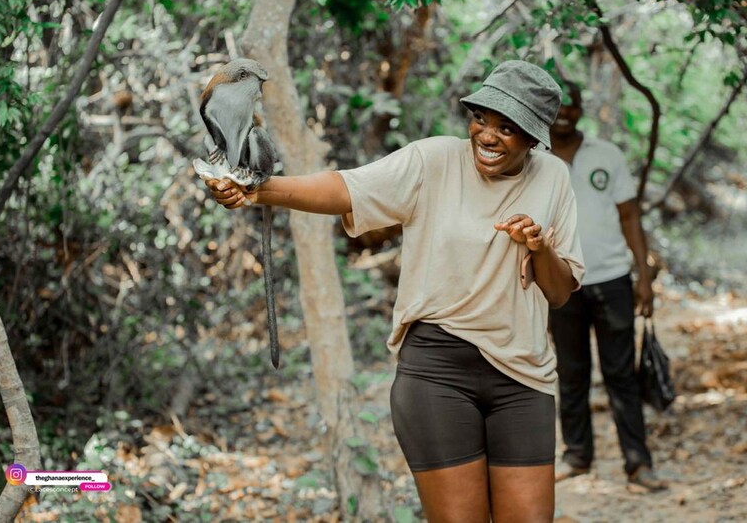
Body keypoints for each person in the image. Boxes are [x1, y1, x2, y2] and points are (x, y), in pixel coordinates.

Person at [205, 60, 585, 522]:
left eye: (507, 128)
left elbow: (561, 292)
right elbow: (345, 188)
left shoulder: (553, 178)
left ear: (533, 137)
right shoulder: (433, 160)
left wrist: (540, 246)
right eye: (481, 118)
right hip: (437, 375)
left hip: (524, 380)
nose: (487, 135)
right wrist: (257, 190)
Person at [547, 81, 668, 492]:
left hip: (612, 278)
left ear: (582, 109)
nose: (564, 113)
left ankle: (638, 463)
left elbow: (630, 216)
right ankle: (577, 456)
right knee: (571, 372)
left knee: (622, 374)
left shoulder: (607, 154)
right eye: (557, 106)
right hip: (561, 282)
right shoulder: (533, 157)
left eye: (572, 105)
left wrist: (644, 276)